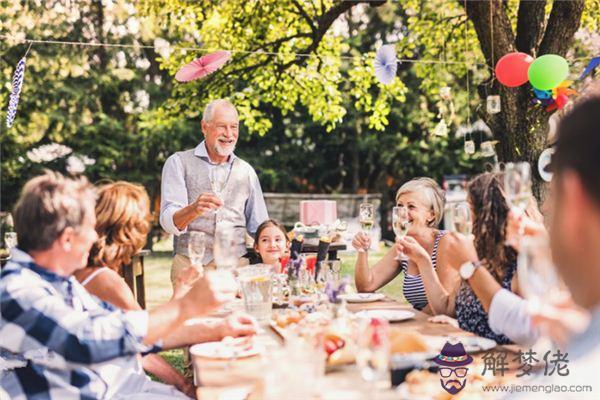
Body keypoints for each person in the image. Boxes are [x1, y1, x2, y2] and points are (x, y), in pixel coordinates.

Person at [0, 171, 247, 399]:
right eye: (89, 229)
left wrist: (219, 329)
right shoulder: (16, 288)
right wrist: (186, 307)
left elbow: (127, 331)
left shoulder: (59, 282)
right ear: (67, 239)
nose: (95, 237)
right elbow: (84, 340)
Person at [73, 181, 256, 397]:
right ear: (131, 229)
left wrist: (181, 290)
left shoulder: (86, 273)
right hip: (117, 388)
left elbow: (150, 329)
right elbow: (144, 344)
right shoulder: (106, 280)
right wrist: (184, 385)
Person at [160, 99, 269, 289]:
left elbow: (259, 225)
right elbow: (169, 222)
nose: (229, 134)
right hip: (191, 267)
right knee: (193, 320)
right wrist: (193, 209)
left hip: (236, 269)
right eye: (222, 127)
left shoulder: (246, 171)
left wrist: (279, 241)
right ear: (204, 127)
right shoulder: (178, 162)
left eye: (234, 127)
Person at [353, 177, 467, 315]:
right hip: (422, 324)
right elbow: (365, 286)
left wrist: (405, 313)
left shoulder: (446, 242)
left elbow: (445, 306)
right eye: (399, 206)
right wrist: (362, 251)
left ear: (431, 215)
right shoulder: (403, 245)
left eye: (411, 207)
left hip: (446, 329)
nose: (403, 213)